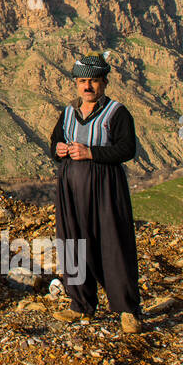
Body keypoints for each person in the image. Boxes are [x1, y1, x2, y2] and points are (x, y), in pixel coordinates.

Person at [49, 53, 143, 334]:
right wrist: (58, 150)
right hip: (70, 189)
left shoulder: (117, 113)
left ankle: (127, 310)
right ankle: (80, 304)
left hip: (105, 188)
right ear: (76, 84)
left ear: (104, 82)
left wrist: (92, 153)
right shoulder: (67, 113)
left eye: (92, 81)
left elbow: (127, 149)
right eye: (81, 81)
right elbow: (54, 142)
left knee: (113, 244)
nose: (87, 87)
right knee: (72, 243)